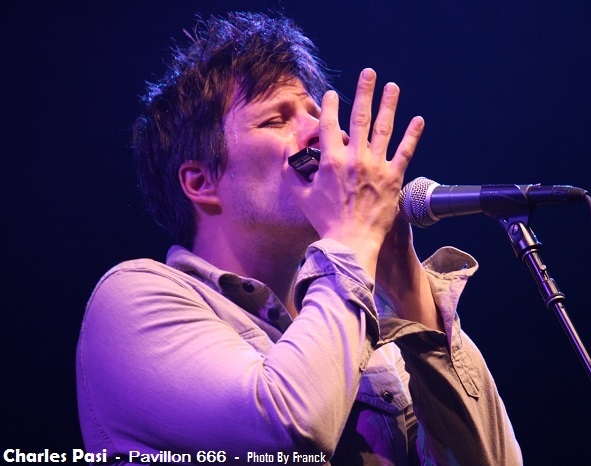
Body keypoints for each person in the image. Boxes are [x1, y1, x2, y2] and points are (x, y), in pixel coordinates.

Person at [76, 11, 521, 465]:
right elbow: (286, 431)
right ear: (201, 182)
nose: (325, 133)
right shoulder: (135, 300)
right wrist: (353, 237)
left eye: (316, 113)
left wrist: (402, 279)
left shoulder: (368, 333)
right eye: (276, 120)